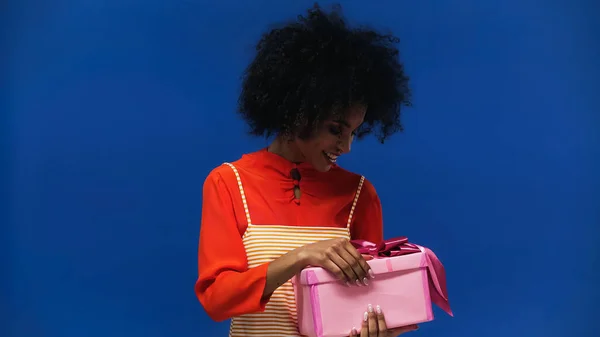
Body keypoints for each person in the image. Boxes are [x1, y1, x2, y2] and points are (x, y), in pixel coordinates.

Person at [195, 4, 417, 336]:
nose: (346, 147)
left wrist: (382, 328)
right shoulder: (229, 182)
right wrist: (301, 257)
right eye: (336, 129)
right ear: (298, 113)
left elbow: (371, 301)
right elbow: (217, 300)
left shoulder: (360, 194)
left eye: (354, 132)